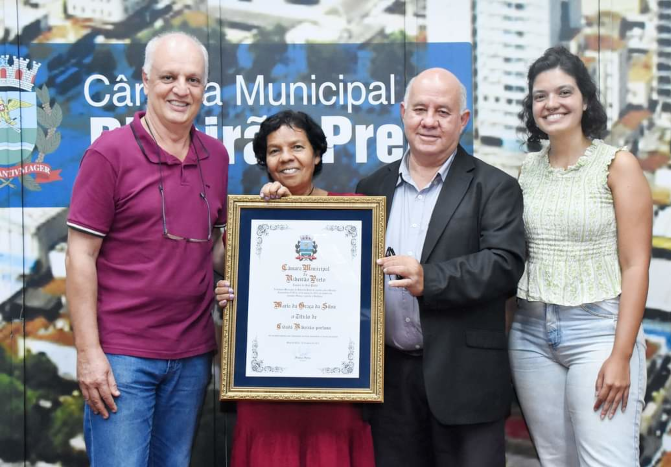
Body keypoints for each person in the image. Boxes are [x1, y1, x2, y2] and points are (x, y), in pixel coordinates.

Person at [65, 32, 229, 466]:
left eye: (193, 80)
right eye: (168, 77)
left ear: (204, 88)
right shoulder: (109, 153)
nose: (181, 89)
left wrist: (270, 228)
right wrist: (88, 354)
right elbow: (79, 256)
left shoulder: (216, 156)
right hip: (122, 359)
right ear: (145, 80)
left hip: (193, 355)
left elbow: (212, 250)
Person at [355, 68, 527, 466]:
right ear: (402, 113)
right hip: (390, 382)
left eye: (443, 111)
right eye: (420, 109)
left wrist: (428, 279)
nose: (429, 121)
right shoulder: (371, 188)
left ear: (463, 120)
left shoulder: (495, 186)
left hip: (465, 382)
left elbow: (504, 265)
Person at [509, 45, 652, 466]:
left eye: (564, 92)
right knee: (557, 462)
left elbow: (636, 264)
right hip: (531, 334)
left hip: (599, 333)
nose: (552, 103)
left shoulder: (617, 165)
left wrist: (621, 356)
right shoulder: (527, 171)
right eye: (540, 96)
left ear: (585, 99)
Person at [215, 109, 375, 467]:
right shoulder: (249, 222)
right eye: (274, 150)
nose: (286, 157)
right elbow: (241, 295)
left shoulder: (353, 214)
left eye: (297, 146)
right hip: (265, 393)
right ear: (265, 161)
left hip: (334, 390)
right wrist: (228, 296)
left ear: (316, 154)